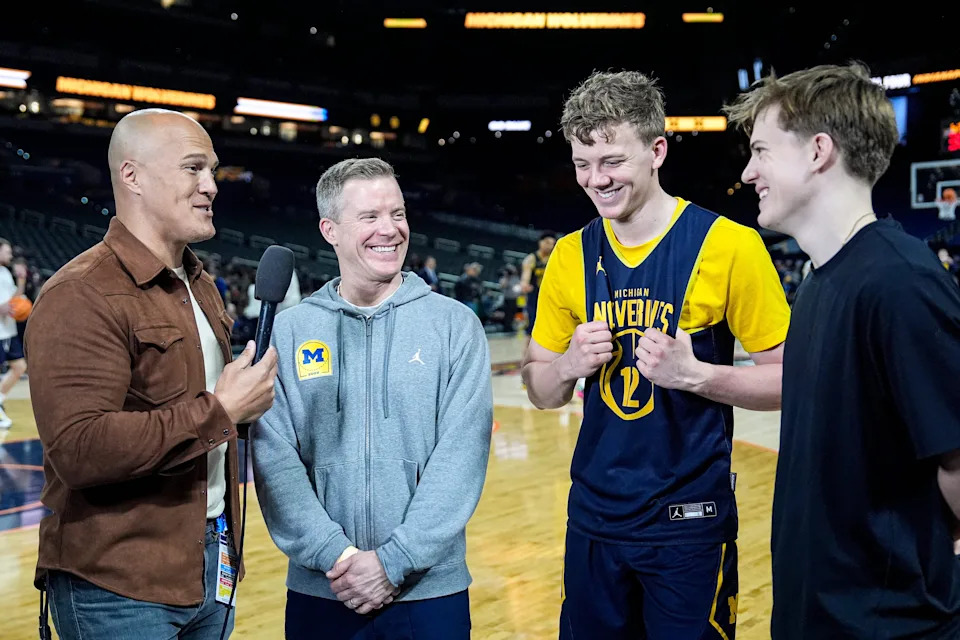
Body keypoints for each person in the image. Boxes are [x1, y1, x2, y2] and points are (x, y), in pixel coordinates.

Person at [521, 70, 790, 639]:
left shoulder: (730, 245)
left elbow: (792, 381)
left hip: (689, 524)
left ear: (657, 150)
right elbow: (538, 387)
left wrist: (696, 376)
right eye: (582, 165)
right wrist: (568, 366)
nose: (596, 180)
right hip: (594, 521)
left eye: (612, 161)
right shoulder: (569, 256)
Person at [725, 62, 960, 638]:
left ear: (818, 151)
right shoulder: (818, 282)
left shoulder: (900, 282)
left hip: (890, 624)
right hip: (820, 614)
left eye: (761, 150)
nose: (748, 170)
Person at [24, 108, 278, 640]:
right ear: (132, 177)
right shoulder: (82, 293)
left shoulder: (198, 283)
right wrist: (222, 410)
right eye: (193, 168)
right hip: (117, 583)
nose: (211, 185)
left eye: (212, 170)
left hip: (210, 564)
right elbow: (80, 448)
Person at [251, 157, 493, 639]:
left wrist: (395, 561)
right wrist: (337, 557)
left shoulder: (454, 325)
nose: (390, 230)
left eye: (398, 214)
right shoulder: (291, 330)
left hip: (429, 592)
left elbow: (461, 457)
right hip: (325, 588)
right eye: (370, 217)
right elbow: (273, 457)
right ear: (330, 229)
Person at [0, 239, 27, 428]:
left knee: (20, 366)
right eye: (7, 251)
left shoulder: (5, 273)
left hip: (7, 331)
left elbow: (13, 299)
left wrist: (21, 280)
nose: (10, 255)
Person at [520, 231, 556, 350]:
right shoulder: (531, 259)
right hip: (534, 297)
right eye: (547, 242)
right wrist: (525, 284)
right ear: (540, 242)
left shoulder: (555, 258)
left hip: (550, 297)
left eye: (552, 243)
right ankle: (527, 354)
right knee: (531, 326)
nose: (549, 245)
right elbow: (526, 275)